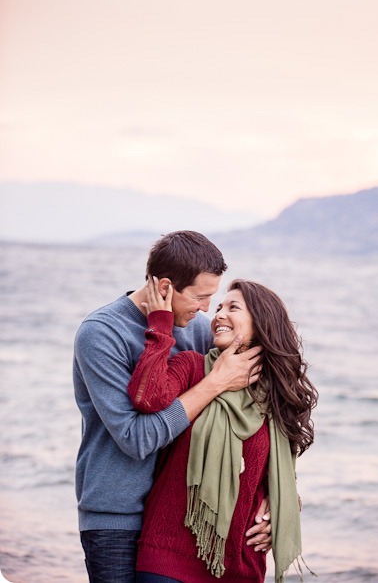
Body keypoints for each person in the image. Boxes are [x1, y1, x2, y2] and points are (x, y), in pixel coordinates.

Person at [73, 231, 271, 583]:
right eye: (201, 297)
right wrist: (215, 383)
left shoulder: (196, 330)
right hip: (118, 518)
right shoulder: (101, 334)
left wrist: (275, 495)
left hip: (178, 521)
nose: (208, 310)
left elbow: (253, 415)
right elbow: (137, 440)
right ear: (165, 288)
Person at [128, 276, 318, 583]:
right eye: (218, 307)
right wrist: (161, 326)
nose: (218, 314)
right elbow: (146, 397)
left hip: (240, 565)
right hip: (167, 558)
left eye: (233, 307)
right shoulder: (192, 367)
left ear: (262, 323)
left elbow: (277, 478)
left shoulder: (275, 397)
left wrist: (278, 513)